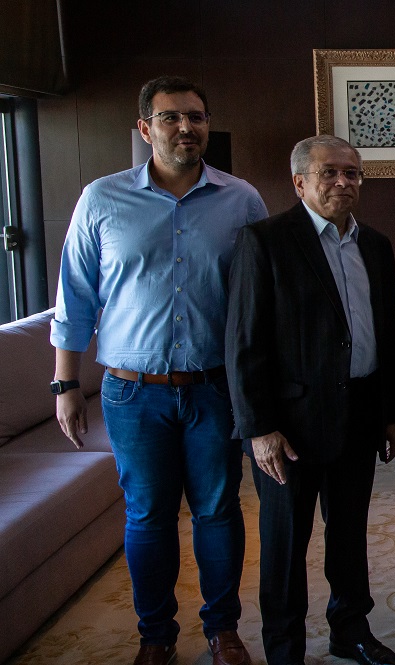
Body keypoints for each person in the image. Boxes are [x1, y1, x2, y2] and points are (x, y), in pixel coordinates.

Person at [50, 76, 267, 665]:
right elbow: (75, 296)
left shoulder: (242, 200)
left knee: (218, 512)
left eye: (195, 117)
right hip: (132, 394)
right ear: (145, 129)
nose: (185, 127)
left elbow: (258, 297)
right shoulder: (101, 199)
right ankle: (156, 636)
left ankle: (223, 630)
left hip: (215, 389)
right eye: (170, 117)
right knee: (148, 517)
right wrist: (66, 384)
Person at [225, 135, 395, 665]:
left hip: (359, 416)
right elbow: (243, 343)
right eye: (329, 173)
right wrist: (258, 429)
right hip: (289, 429)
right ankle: (285, 649)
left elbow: (386, 335)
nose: (343, 182)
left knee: (349, 537)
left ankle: (350, 631)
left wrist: (390, 414)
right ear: (299, 182)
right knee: (285, 545)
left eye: (352, 173)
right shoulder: (264, 241)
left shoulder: (375, 244)